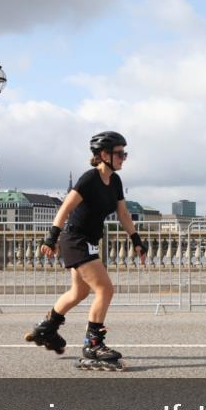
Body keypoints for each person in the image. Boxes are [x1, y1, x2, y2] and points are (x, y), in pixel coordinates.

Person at [24, 131, 145, 370]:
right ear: (104, 155)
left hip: (88, 240)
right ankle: (93, 344)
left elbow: (122, 213)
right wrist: (51, 237)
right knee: (105, 289)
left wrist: (136, 239)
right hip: (75, 240)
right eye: (120, 153)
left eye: (125, 153)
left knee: (79, 292)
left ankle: (46, 328)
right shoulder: (89, 179)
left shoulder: (115, 182)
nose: (124, 158)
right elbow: (65, 208)